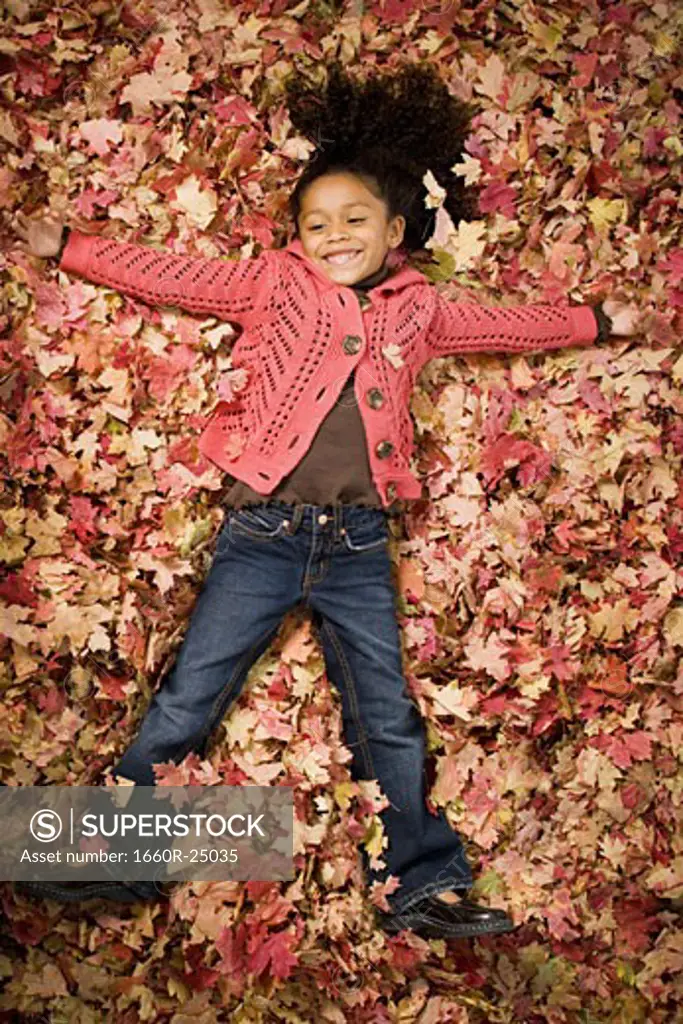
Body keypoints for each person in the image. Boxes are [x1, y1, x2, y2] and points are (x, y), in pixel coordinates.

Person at [12, 61, 639, 937]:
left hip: (355, 542)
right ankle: (119, 862)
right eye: (316, 222)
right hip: (262, 533)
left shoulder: (420, 308)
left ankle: (420, 883)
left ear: (393, 231)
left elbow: (508, 323)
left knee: (386, 712)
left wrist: (594, 322)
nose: (334, 235)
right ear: (296, 236)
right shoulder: (273, 284)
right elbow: (172, 273)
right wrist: (70, 246)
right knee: (189, 697)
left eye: (354, 220)